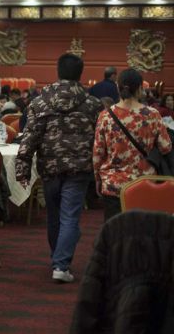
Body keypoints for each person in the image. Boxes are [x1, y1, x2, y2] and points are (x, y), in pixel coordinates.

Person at [16, 53, 102, 284]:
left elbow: (29, 137)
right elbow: (99, 140)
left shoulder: (40, 102)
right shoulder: (93, 104)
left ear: (58, 70)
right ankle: (61, 264)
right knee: (70, 217)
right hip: (79, 169)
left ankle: (59, 261)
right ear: (80, 73)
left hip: (49, 167)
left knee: (54, 216)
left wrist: (22, 168)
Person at [93, 68, 172, 220]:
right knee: (143, 232)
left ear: (118, 87)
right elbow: (165, 147)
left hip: (113, 185)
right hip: (145, 183)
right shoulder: (152, 114)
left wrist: (98, 178)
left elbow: (98, 153)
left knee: (116, 234)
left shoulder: (105, 116)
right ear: (140, 88)